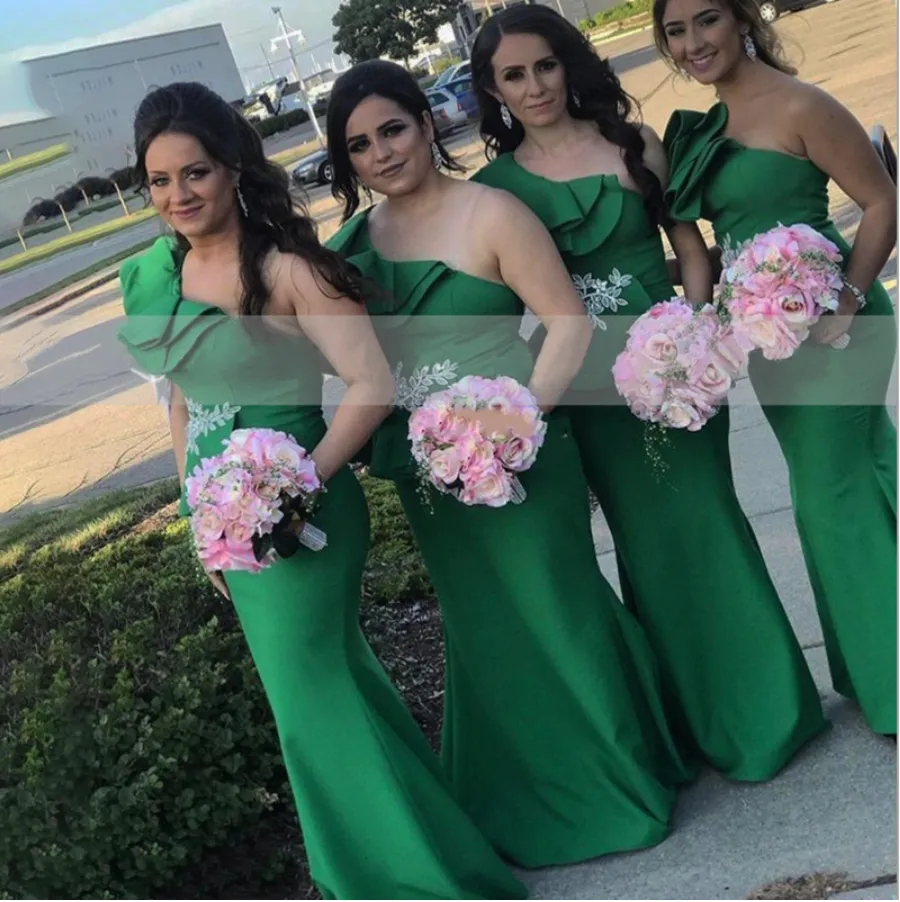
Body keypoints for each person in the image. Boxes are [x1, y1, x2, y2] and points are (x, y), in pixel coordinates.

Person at [116, 81, 530, 900]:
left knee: (312, 704)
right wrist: (203, 516)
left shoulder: (289, 269)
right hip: (229, 526)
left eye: (194, 173)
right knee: (329, 692)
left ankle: (391, 882)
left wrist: (291, 487)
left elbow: (371, 385)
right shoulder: (151, 277)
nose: (179, 196)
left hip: (300, 511)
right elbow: (181, 401)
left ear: (232, 167)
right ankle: (423, 857)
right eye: (159, 181)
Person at [324, 59, 693, 869]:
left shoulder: (492, 212)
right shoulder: (349, 248)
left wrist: (517, 421)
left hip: (519, 454)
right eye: (360, 145)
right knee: (482, 626)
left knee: (556, 606)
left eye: (393, 128)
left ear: (427, 124)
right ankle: (517, 792)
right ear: (346, 164)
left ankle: (618, 780)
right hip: (431, 472)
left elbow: (566, 326)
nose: (383, 152)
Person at [468, 3, 829, 780]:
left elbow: (689, 252)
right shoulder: (493, 190)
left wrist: (697, 336)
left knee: (707, 523)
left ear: (570, 64)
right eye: (513, 76)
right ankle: (698, 725)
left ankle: (766, 711)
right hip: (588, 396)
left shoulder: (636, 145)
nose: (535, 87)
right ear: (493, 92)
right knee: (646, 544)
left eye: (545, 66)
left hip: (675, 377)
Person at [655, 0, 898, 737]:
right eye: (675, 30)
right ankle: (871, 663)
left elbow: (883, 201)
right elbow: (730, 247)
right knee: (854, 481)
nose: (693, 42)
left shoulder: (802, 104)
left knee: (835, 497)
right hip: (771, 339)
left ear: (741, 19)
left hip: (837, 325)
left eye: (707, 21)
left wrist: (848, 305)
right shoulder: (709, 126)